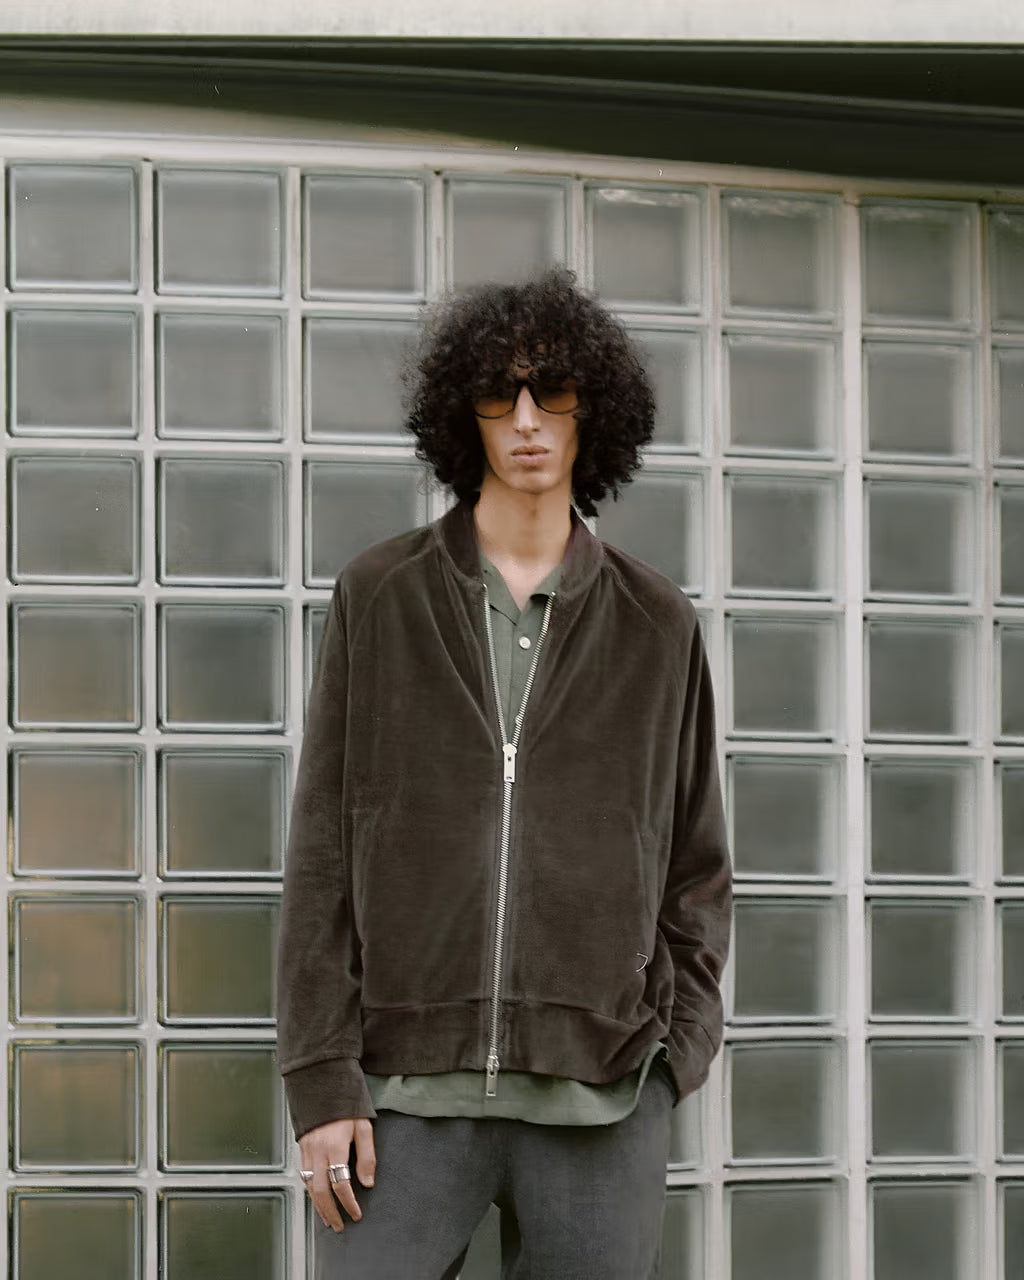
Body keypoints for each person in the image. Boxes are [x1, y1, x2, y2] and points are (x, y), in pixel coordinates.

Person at [276, 265, 732, 1279]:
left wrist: (673, 1057)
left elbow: (696, 867)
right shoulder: (380, 596)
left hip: (600, 1096)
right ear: (465, 413)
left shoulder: (657, 624)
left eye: (551, 392)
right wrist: (320, 1078)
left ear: (591, 411)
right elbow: (321, 858)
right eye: (499, 394)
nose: (526, 420)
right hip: (400, 1100)